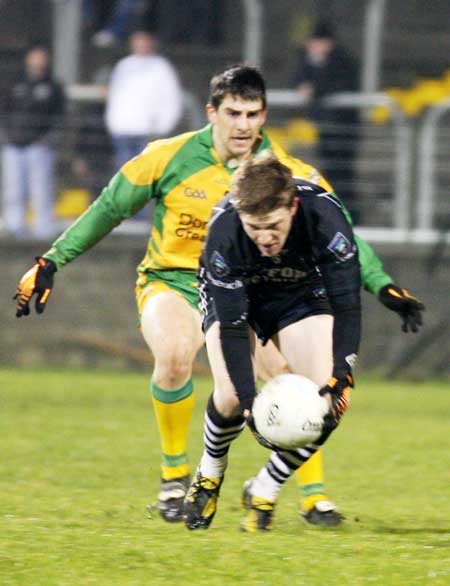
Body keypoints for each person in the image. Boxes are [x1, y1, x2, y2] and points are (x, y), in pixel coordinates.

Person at [13, 65, 424, 527]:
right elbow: (108, 208)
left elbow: (340, 237)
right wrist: (52, 260)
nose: (243, 124)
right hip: (174, 281)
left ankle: (308, 495)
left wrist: (381, 283)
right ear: (212, 112)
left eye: (252, 114)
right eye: (233, 112)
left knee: (301, 383)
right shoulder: (166, 157)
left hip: (258, 289)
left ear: (265, 115)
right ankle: (175, 480)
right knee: (173, 356)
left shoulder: (289, 175)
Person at [183, 152, 363, 531]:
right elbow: (233, 328)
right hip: (239, 294)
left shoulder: (326, 220)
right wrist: (250, 405)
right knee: (231, 395)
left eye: (274, 225)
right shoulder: (225, 234)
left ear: (293, 206)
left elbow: (347, 305)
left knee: (330, 401)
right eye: (254, 227)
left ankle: (265, 487)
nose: (265, 238)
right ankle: (210, 472)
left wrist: (342, 368)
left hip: (298, 292)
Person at [294, 21, 361, 223]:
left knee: (343, 172)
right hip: (325, 126)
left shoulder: (343, 61)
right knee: (329, 170)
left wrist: (315, 88)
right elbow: (298, 79)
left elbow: (343, 82)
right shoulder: (307, 61)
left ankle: (350, 215)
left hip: (344, 126)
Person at [1, 45, 65, 239]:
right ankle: (14, 226)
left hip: (40, 146)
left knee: (41, 189)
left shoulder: (53, 86)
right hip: (14, 144)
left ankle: (43, 230)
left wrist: (48, 139)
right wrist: (6, 136)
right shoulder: (14, 83)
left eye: (42, 57)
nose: (38, 61)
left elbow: (60, 116)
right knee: (13, 189)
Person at [105, 30, 183, 170]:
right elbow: (116, 96)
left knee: (146, 170)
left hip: (148, 129)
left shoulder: (161, 67)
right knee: (124, 171)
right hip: (123, 128)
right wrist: (113, 122)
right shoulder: (124, 65)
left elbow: (171, 98)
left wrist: (164, 125)